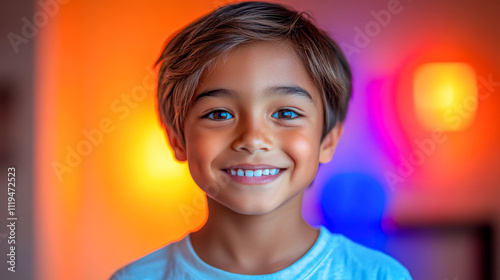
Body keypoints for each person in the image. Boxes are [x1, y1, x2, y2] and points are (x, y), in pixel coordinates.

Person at [110, 1, 412, 279]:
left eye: (285, 112)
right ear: (177, 139)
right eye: (219, 114)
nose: (253, 140)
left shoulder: (377, 275)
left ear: (327, 140)